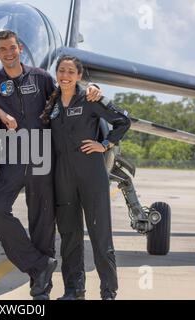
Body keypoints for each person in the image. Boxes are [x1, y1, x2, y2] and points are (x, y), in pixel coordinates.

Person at [0, 30, 102, 300]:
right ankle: (39, 265)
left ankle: (40, 290)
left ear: (19, 48)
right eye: (3, 49)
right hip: (12, 156)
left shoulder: (41, 77)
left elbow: (65, 96)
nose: (9, 53)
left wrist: (90, 91)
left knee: (42, 225)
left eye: (12, 47)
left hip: (41, 156)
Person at [41, 55, 131, 300]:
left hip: (91, 175)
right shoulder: (52, 103)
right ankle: (74, 291)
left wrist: (105, 144)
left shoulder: (91, 99)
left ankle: (108, 292)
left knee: (100, 237)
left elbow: (123, 120)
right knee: (69, 238)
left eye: (71, 72)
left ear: (79, 76)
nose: (65, 76)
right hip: (63, 177)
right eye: (61, 71)